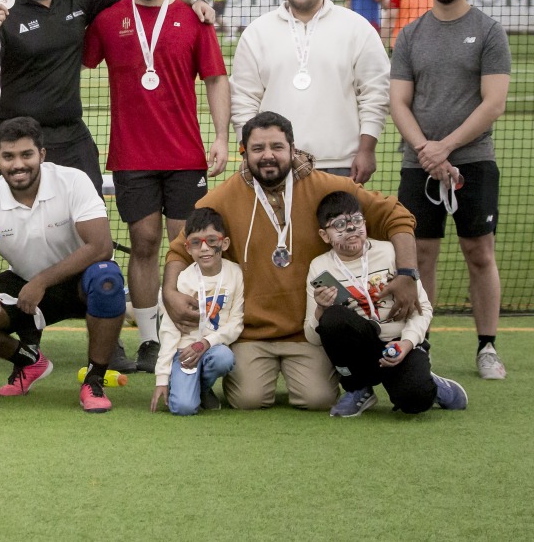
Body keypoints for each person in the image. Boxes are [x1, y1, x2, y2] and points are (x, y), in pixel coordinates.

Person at [162, 111, 422, 411]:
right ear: (244, 153)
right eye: (258, 148)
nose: (268, 156)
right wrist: (169, 293)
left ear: (292, 148)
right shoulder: (222, 198)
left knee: (319, 400)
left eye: (277, 147)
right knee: (247, 401)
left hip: (306, 334)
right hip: (251, 334)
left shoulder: (326, 186)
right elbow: (179, 250)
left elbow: (396, 216)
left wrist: (407, 273)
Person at [0, 0, 213, 194]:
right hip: (17, 138)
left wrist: (194, 0)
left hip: (71, 134)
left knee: (91, 214)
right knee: (29, 217)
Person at [82, 0, 230, 373]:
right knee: (144, 242)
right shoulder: (108, 20)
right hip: (132, 156)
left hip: (186, 155)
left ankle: (184, 334)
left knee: (188, 245)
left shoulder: (193, 18)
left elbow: (216, 79)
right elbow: (80, 62)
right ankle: (148, 340)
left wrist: (222, 137)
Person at [389, 0, 511, 380]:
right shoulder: (411, 34)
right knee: (419, 255)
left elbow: (493, 103)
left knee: (479, 253)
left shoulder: (489, 31)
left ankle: (487, 347)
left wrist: (446, 147)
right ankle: (420, 343)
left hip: (474, 162)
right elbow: (398, 102)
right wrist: (427, 149)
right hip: (418, 164)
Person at [0, 117, 126, 413]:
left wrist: (41, 281)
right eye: (8, 156)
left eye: (26, 154)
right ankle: (29, 361)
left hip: (81, 282)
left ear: (42, 154)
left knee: (108, 280)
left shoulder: (73, 181)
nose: (18, 165)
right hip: (26, 288)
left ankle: (94, 380)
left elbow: (101, 247)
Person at [231, 0, 390, 183]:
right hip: (276, 167)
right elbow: (243, 99)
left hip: (341, 166)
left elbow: (375, 93)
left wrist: (367, 150)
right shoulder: (257, 32)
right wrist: (249, 153)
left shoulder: (357, 28)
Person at [305, 191, 467, 417]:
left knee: (415, 401)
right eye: (339, 224)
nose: (351, 229)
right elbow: (313, 337)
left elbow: (424, 309)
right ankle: (358, 388)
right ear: (324, 235)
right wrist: (321, 309)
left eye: (356, 220)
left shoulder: (390, 252)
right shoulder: (319, 268)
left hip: (399, 343)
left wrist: (407, 343)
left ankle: (432, 384)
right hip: (362, 348)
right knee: (333, 319)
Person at [151, 207, 243, 415]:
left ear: (224, 243)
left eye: (212, 240)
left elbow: (236, 323)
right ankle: (186, 385)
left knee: (224, 358)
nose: (204, 248)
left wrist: (206, 343)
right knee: (183, 408)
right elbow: (169, 330)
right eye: (196, 242)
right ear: (188, 248)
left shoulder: (235, 274)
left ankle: (201, 387)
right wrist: (162, 378)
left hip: (213, 348)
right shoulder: (183, 279)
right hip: (184, 352)